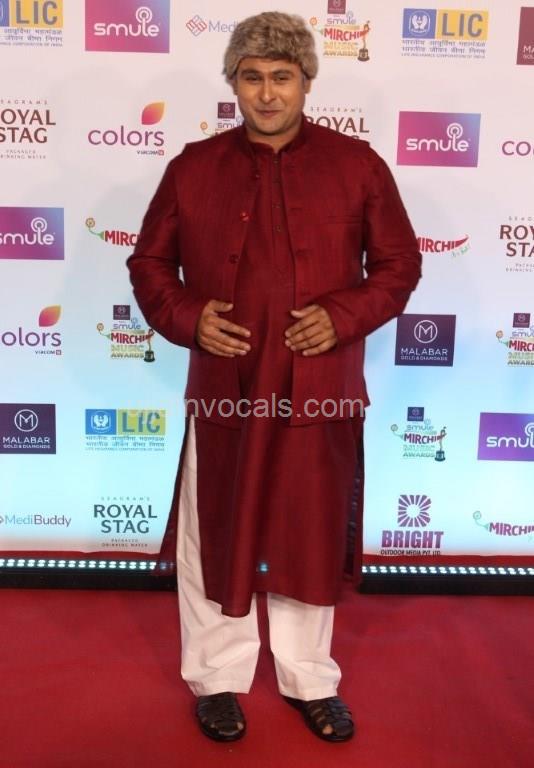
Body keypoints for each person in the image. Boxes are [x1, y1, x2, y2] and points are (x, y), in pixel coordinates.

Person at [127, 11, 421, 743]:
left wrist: (343, 316)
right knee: (214, 533)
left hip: (320, 387)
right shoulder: (193, 167)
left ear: (306, 81)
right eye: (252, 77)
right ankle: (216, 678)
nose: (266, 93)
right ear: (233, 82)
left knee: (307, 534)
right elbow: (150, 264)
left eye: (281, 77)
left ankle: (309, 679)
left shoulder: (357, 166)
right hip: (225, 390)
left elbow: (398, 266)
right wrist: (189, 317)